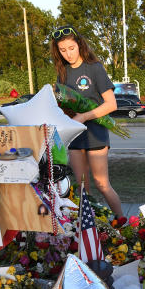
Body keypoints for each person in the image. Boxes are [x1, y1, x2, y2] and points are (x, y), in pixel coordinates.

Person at [49, 26, 123, 218]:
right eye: (63, 50)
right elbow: (64, 104)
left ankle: (123, 223)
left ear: (80, 45)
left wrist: (84, 116)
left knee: (101, 183)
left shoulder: (94, 68)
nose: (68, 54)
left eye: (71, 48)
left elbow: (111, 104)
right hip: (74, 135)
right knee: (83, 188)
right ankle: (90, 228)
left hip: (95, 132)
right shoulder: (62, 72)